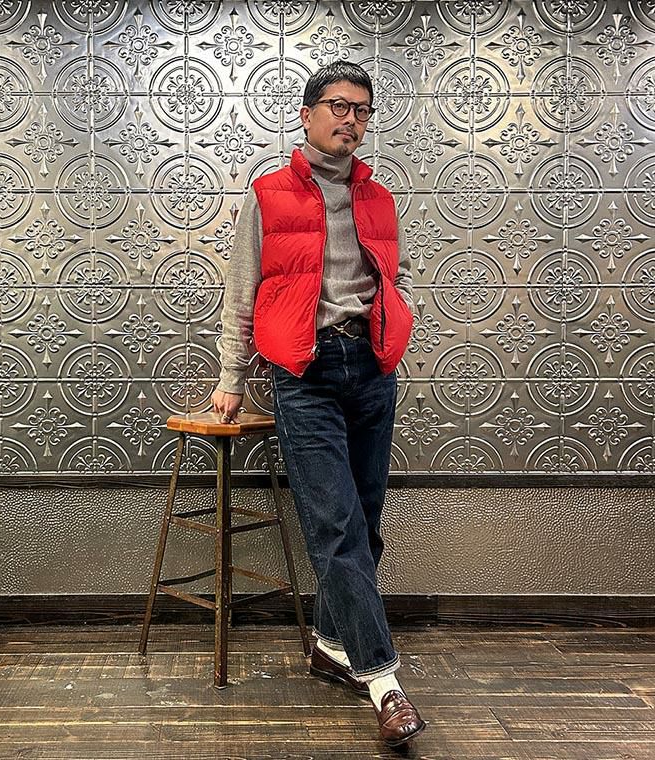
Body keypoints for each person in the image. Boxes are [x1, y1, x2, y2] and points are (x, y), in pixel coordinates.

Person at [210, 61, 424, 748]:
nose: (350, 120)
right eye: (338, 106)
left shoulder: (379, 197)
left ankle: (331, 645)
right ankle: (384, 683)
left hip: (371, 368)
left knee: (366, 523)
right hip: (304, 372)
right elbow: (242, 290)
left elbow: (393, 276)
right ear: (307, 116)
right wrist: (231, 375)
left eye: (362, 110)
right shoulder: (268, 194)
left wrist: (397, 323)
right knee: (336, 526)